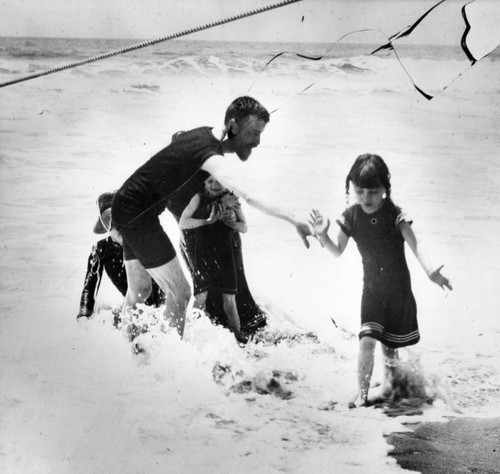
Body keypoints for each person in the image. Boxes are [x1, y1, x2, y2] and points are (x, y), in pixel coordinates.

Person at [111, 96, 312, 337]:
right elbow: (248, 196)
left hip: (124, 204)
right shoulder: (209, 153)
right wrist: (293, 218)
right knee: (180, 293)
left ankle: (128, 353)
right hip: (138, 214)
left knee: (140, 290)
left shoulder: (204, 135)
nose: (258, 142)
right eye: (254, 133)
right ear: (234, 127)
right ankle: (168, 366)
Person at [309, 153, 452, 408]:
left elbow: (416, 245)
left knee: (390, 347)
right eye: (360, 191)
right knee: (366, 340)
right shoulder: (351, 216)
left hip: (398, 292)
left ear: (385, 189)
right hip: (372, 291)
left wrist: (431, 271)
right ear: (351, 187)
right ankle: (363, 395)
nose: (366, 197)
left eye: (373, 191)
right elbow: (337, 251)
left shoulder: (395, 215)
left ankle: (392, 388)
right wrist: (323, 235)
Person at [179, 175, 248, 341]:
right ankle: (191, 333)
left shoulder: (232, 198)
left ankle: (237, 333)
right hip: (203, 254)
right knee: (201, 297)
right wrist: (208, 221)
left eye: (218, 181)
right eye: (210, 181)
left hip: (226, 255)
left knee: (229, 299)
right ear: (204, 182)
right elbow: (183, 222)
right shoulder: (199, 197)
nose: (215, 185)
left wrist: (229, 222)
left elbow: (244, 227)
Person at [77, 192, 164, 320]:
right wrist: (84, 315)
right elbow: (89, 288)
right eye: (109, 222)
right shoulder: (101, 249)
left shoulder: (144, 244)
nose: (118, 228)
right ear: (105, 227)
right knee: (102, 315)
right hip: (130, 309)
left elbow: (163, 288)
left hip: (154, 311)